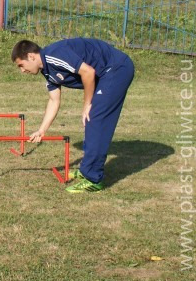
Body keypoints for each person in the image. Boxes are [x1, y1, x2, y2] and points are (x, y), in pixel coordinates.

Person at [11, 38, 134, 193]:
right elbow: (54, 100)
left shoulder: (54, 55)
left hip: (116, 68)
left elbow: (88, 72)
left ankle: (93, 179)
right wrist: (42, 130)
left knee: (94, 118)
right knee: (91, 120)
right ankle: (87, 169)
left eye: (21, 65)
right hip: (104, 74)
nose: (22, 70)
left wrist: (87, 105)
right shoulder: (47, 71)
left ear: (31, 56)